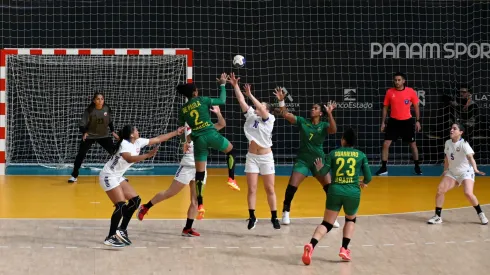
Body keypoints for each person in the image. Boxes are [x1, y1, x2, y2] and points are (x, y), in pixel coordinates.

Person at [136, 106, 226, 235]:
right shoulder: (189, 125)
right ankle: (146, 207)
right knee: (170, 193)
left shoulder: (207, 128)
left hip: (201, 167)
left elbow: (222, 124)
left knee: (195, 200)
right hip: (188, 165)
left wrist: (218, 113)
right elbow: (187, 137)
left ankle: (187, 228)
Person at [100, 125, 184, 247]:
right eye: (136, 130)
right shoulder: (124, 144)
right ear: (131, 134)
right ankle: (110, 237)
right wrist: (147, 156)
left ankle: (122, 230)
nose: (138, 131)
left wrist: (176, 132)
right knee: (121, 205)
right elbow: (129, 159)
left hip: (118, 176)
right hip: (108, 175)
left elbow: (158, 139)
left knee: (135, 201)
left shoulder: (138, 142)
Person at [302, 128, 372, 264]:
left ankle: (311, 245)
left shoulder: (334, 153)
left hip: (335, 191)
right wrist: (363, 182)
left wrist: (319, 166)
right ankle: (344, 249)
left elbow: (322, 172)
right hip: (352, 192)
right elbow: (368, 177)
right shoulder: (361, 155)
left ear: (343, 140)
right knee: (350, 220)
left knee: (327, 223)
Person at [177, 73, 240, 220]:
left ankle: (200, 205)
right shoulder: (202, 100)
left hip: (198, 140)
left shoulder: (183, 110)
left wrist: (184, 142)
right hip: (211, 134)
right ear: (195, 93)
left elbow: (181, 130)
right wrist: (223, 84)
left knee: (199, 174)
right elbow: (222, 100)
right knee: (232, 150)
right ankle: (231, 178)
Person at [274, 88, 339, 227]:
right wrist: (281, 100)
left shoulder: (324, 125)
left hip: (319, 161)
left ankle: (332, 217)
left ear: (320, 113)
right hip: (303, 160)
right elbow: (286, 115)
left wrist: (330, 114)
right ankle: (286, 212)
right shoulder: (303, 122)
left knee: (330, 189)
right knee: (292, 186)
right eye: (312, 108)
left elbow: (333, 130)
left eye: (315, 108)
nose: (312, 110)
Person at [228, 73, 280, 230]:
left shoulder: (269, 118)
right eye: (259, 105)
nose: (259, 107)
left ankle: (274, 217)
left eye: (262, 105)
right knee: (252, 188)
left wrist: (250, 94)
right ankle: (252, 216)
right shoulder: (251, 115)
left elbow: (261, 109)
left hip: (266, 158)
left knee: (269, 189)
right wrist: (235, 85)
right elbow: (241, 101)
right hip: (252, 157)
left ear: (267, 109)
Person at [427, 123, 488, 225]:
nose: (451, 130)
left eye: (454, 129)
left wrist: (476, 169)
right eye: (451, 128)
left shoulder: (464, 144)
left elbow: (470, 158)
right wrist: (445, 170)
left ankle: (481, 213)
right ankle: (437, 217)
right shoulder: (447, 143)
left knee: (468, 193)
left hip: (466, 172)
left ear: (460, 132)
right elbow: (446, 158)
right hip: (452, 172)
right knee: (440, 190)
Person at [376, 72, 422, 176]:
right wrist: (383, 122)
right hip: (393, 122)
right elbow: (385, 108)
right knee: (385, 144)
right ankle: (384, 168)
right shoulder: (389, 92)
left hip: (407, 122)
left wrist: (418, 120)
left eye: (399, 80)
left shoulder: (410, 91)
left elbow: (416, 106)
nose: (397, 82)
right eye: (395, 80)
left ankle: (417, 167)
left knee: (413, 145)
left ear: (403, 81)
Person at [69, 92, 119, 183]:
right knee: (81, 155)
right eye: (98, 99)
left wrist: (113, 132)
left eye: (102, 99)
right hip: (90, 136)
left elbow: (110, 122)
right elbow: (81, 125)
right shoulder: (89, 111)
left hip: (103, 135)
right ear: (94, 100)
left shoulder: (106, 109)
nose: (100, 101)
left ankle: (118, 175)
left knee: (115, 153)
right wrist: (84, 132)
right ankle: (74, 175)